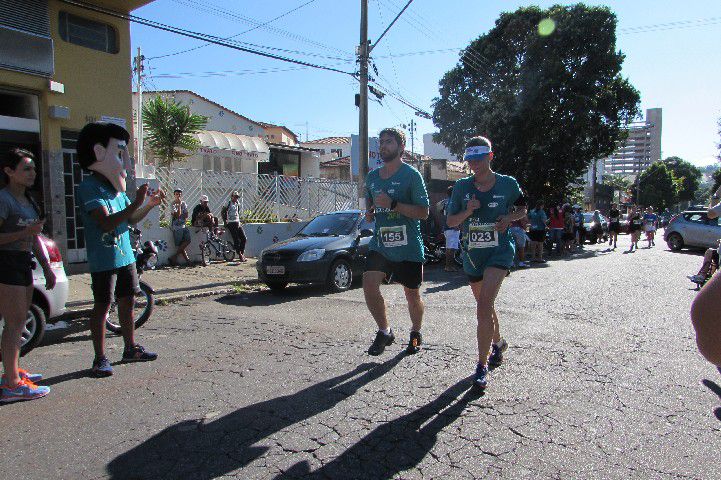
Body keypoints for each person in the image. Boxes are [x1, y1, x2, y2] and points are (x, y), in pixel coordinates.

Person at [76, 122, 162, 377]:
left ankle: (130, 347)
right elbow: (105, 222)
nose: (124, 163)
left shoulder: (116, 189)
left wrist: (148, 205)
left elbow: (131, 218)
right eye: (119, 153)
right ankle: (99, 358)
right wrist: (135, 201)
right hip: (104, 260)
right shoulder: (89, 188)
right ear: (99, 153)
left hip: (126, 256)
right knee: (103, 306)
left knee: (128, 301)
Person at [446, 136, 527, 390]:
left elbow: (523, 208)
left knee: (483, 307)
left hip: (499, 253)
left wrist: (509, 218)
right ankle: (498, 344)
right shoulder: (461, 187)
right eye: (470, 160)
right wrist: (468, 211)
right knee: (485, 307)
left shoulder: (507, 184)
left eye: (479, 159)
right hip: (473, 255)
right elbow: (451, 222)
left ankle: (481, 366)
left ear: (490, 157)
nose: (474, 165)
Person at [363, 127, 429, 356]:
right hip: (381, 244)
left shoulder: (411, 175)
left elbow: (424, 212)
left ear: (401, 148)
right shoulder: (372, 177)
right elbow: (369, 200)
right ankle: (384, 331)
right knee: (369, 285)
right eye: (381, 142)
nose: (383, 146)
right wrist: (369, 212)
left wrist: (394, 205)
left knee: (412, 294)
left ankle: (416, 331)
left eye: (389, 142)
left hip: (408, 247)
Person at [0, 148, 54, 402]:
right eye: (26, 168)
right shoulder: (4, 200)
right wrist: (24, 233)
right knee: (13, 323)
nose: (33, 173)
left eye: (33, 168)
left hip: (23, 262)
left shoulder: (29, 201)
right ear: (9, 172)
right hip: (6, 263)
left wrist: (45, 265)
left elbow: (35, 237)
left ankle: (13, 372)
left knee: (20, 322)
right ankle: (11, 384)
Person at [168, 188, 191, 266]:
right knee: (181, 244)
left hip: (183, 225)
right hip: (176, 227)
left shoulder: (183, 203)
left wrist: (180, 211)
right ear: (174, 195)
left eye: (180, 194)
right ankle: (187, 260)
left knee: (188, 240)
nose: (179, 195)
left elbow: (186, 215)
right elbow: (177, 215)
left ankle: (174, 257)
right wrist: (179, 208)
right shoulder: (172, 204)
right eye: (177, 194)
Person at [441, 185, 460, 272]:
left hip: (447, 228)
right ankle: (449, 266)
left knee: (449, 247)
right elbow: (450, 214)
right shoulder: (452, 202)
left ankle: (448, 265)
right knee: (451, 248)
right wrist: (455, 225)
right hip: (451, 228)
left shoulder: (446, 202)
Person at [224, 191, 247, 262]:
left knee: (244, 238)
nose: (236, 198)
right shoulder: (228, 203)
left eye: (237, 197)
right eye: (235, 196)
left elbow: (238, 213)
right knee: (236, 239)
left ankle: (242, 253)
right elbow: (223, 211)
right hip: (231, 223)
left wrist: (239, 221)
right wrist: (225, 221)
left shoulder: (237, 204)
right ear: (232, 196)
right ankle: (240, 255)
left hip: (237, 222)